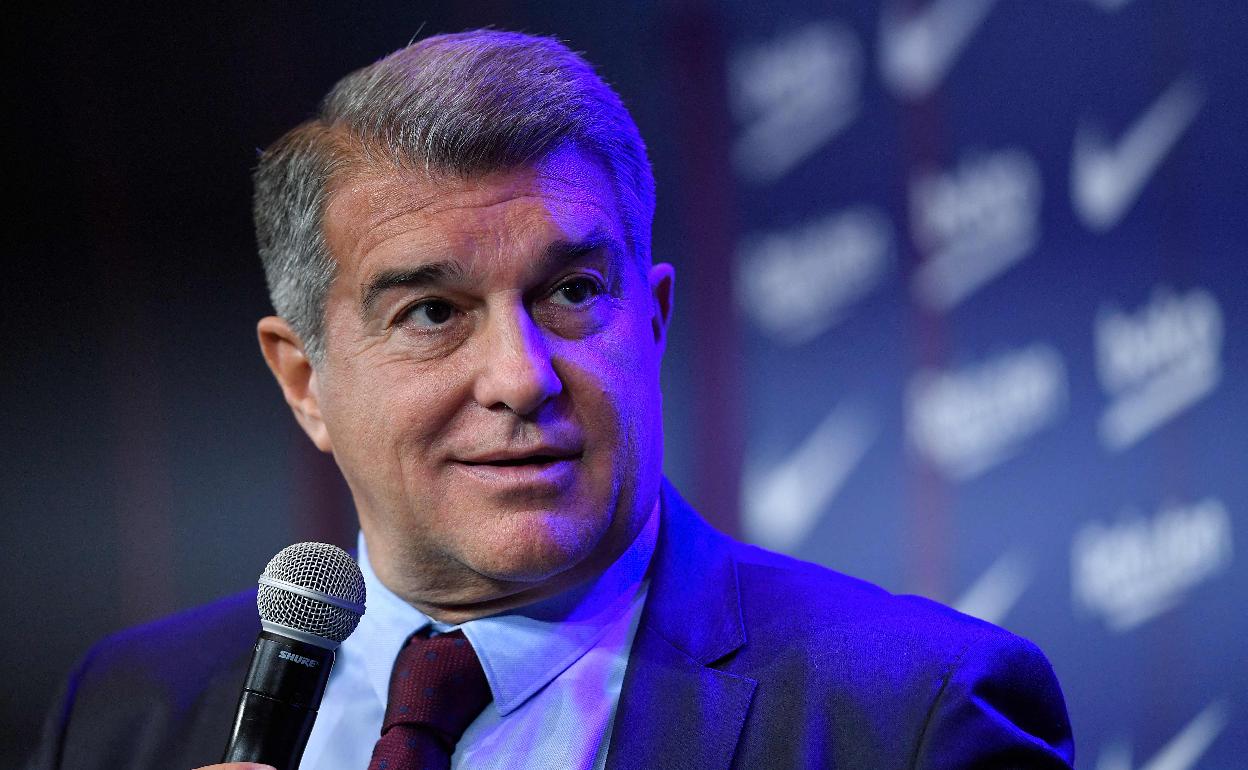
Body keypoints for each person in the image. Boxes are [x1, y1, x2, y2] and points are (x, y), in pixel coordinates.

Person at [29, 30, 1074, 770]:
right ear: (305, 380)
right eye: (432, 312)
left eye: (572, 293)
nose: (521, 377)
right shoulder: (125, 713)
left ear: (652, 320)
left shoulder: (912, 716)